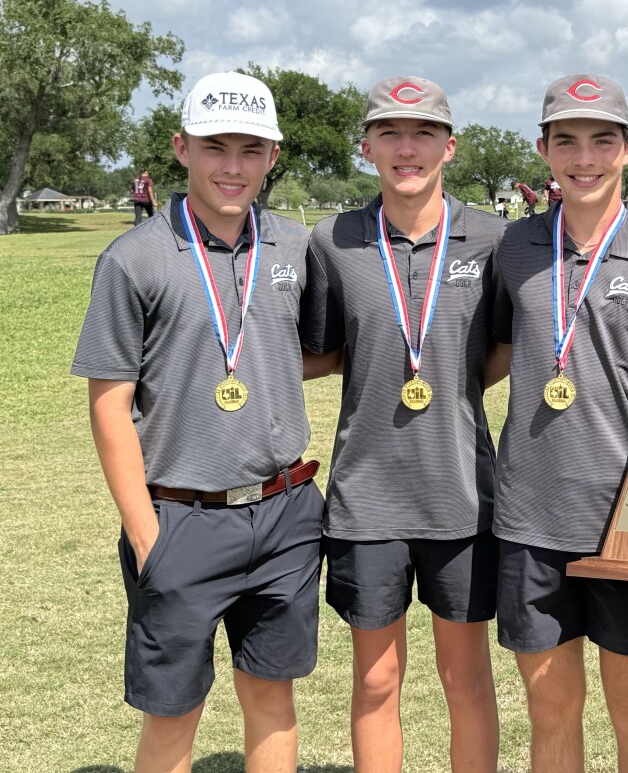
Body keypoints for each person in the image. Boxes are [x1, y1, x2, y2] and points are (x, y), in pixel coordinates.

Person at [71, 72, 323, 773]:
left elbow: (309, 350)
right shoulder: (134, 258)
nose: (233, 167)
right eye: (216, 147)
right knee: (174, 712)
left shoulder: (295, 248)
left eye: (251, 149)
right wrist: (145, 533)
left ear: (273, 157)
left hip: (284, 514)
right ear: (182, 148)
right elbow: (109, 404)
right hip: (179, 517)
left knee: (272, 695)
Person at [490, 73, 628, 773]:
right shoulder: (514, 250)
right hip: (529, 521)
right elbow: (489, 351)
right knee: (551, 714)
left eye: (602, 141)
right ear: (543, 149)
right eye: (567, 141)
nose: (585, 158)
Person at [301, 76, 507, 772]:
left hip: (463, 497)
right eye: (390, 132)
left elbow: (506, 348)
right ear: (366, 148)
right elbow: (326, 350)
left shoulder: (493, 239)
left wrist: (444, 376)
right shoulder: (332, 240)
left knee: (466, 677)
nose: (407, 147)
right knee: (376, 679)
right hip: (368, 501)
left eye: (423, 133)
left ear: (450, 146)